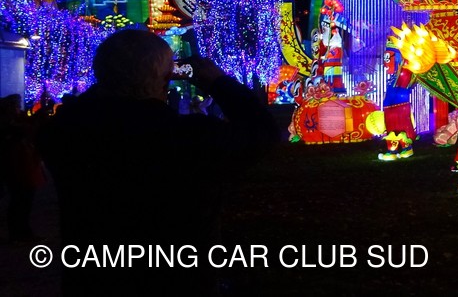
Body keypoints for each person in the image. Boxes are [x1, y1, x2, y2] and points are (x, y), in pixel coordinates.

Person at [36, 29, 279, 295]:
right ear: (163, 79)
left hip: (94, 277)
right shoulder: (187, 138)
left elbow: (81, 110)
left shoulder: (65, 134)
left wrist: (111, 79)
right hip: (176, 279)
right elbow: (262, 132)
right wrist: (218, 82)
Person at [0, 93, 46, 243]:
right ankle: (18, 233)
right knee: (19, 201)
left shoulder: (16, 121)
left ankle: (23, 232)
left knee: (24, 201)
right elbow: (27, 129)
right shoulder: (8, 125)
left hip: (24, 166)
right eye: (16, 105)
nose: (18, 108)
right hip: (16, 167)